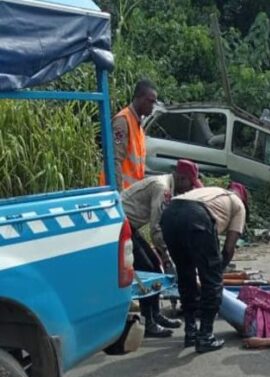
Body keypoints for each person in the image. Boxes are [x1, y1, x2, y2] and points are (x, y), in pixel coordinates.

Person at [160, 183, 249, 353]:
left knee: (185, 275)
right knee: (212, 282)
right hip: (196, 216)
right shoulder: (238, 205)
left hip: (170, 215)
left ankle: (190, 332)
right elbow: (229, 249)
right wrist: (216, 273)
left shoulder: (210, 192)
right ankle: (205, 336)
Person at [122, 159, 203, 337]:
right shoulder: (163, 188)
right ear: (181, 179)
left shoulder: (167, 185)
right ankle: (148, 321)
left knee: (154, 267)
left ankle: (155, 315)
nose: (189, 190)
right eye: (190, 185)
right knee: (149, 269)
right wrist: (166, 256)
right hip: (122, 226)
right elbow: (156, 227)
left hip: (130, 226)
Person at [100, 79, 158, 190]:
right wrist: (117, 194)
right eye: (150, 101)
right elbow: (114, 160)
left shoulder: (138, 126)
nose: (153, 106)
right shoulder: (123, 121)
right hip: (118, 192)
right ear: (139, 98)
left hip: (130, 193)